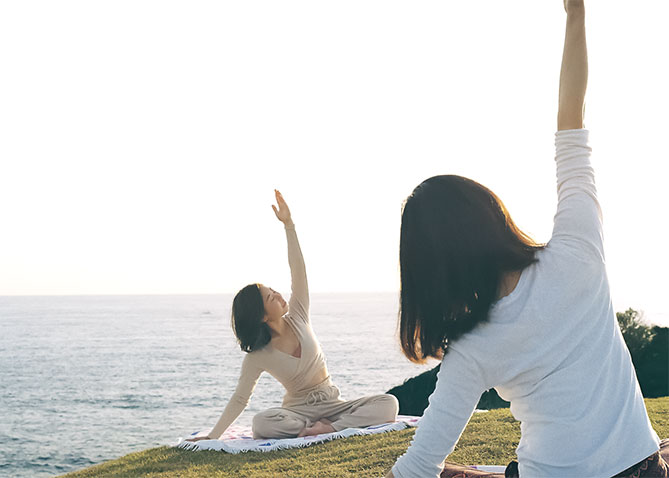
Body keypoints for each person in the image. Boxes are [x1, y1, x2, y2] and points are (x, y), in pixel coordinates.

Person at [385, 1, 667, 477]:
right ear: (490, 214)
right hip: (642, 467)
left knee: (457, 472)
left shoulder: (473, 349)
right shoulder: (578, 250)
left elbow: (419, 466)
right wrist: (576, 17)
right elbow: (570, 121)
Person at [187, 189, 398, 442]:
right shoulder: (257, 356)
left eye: (273, 290)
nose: (277, 294)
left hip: (334, 405)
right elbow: (241, 398)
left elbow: (298, 269)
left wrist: (289, 225)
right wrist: (213, 436)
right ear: (262, 316)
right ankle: (316, 427)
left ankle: (328, 428)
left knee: (388, 403)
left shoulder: (298, 314)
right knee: (261, 423)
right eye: (270, 297)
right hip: (298, 414)